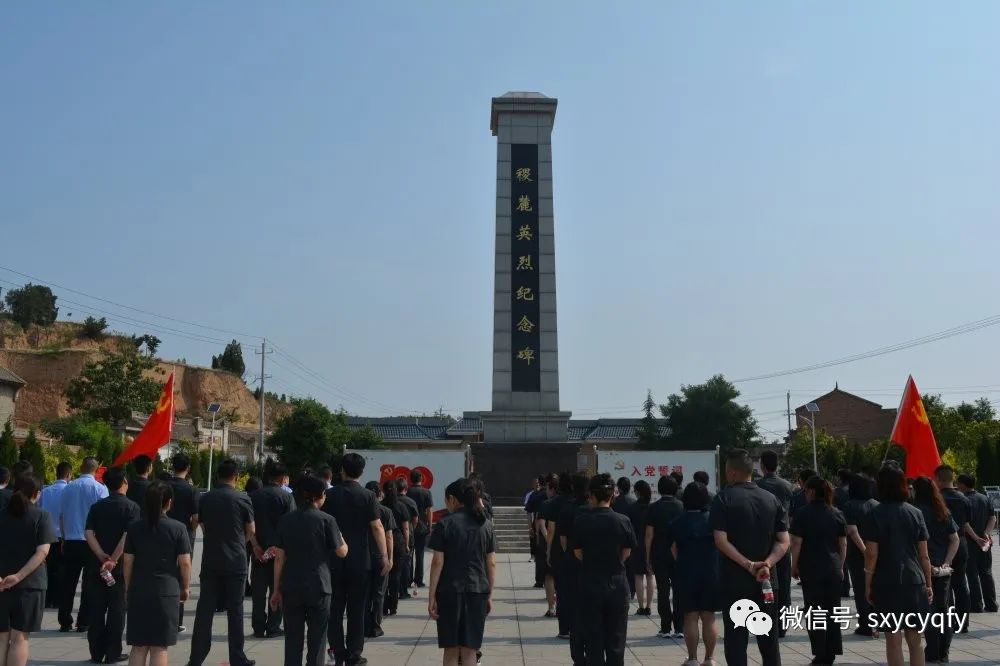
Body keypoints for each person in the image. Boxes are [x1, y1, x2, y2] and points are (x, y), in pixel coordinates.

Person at [711, 449, 788, 666]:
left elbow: (720, 540)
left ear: (733, 473)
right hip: (766, 581)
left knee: (736, 640)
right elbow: (784, 541)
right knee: (769, 640)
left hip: (735, 582)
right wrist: (767, 563)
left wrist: (748, 565)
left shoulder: (723, 499)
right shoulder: (771, 499)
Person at [272, 474, 348, 666]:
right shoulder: (327, 520)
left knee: (293, 638)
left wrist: (276, 589)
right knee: (317, 639)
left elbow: (280, 557)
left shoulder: (285, 520)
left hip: (292, 585)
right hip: (319, 585)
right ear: (320, 495)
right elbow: (342, 552)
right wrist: (340, 535)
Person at [188, 459, 258, 666]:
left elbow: (198, 523)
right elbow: (252, 530)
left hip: (211, 559)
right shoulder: (243, 499)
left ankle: (196, 657)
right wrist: (239, 542)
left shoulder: (206, 498)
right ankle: (237, 657)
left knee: (205, 610)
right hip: (235, 560)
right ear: (236, 477)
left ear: (218, 476)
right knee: (235, 611)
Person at [322, 452, 389, 666]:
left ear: (342, 470)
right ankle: (354, 653)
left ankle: (337, 650)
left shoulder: (329, 495)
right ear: (361, 472)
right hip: (361, 560)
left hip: (334, 560)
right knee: (357, 610)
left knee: (335, 609)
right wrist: (385, 556)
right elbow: (377, 526)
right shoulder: (368, 496)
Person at [863, 464, 933, 666]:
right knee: (915, 639)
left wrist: (868, 583)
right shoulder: (915, 513)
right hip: (914, 580)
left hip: (886, 581)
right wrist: (928, 583)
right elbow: (924, 555)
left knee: (893, 638)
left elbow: (871, 554)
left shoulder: (874, 514)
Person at [123, 481, 193, 666]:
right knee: (159, 647)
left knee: (138, 646)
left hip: (139, 588)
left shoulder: (135, 528)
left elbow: (128, 561)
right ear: (169, 502)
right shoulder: (178, 528)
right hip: (166, 591)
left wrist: (128, 586)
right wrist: (185, 587)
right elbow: (185, 562)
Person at [428, 478, 496, 666]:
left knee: (450, 648)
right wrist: (489, 593)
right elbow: (491, 562)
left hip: (449, 591)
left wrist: (432, 596)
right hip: (477, 590)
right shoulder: (485, 524)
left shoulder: (445, 523)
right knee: (470, 649)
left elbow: (437, 562)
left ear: (453, 499)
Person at [571, 473, 636, 666]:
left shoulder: (581, 520)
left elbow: (577, 552)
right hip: (617, 582)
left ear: (591, 495)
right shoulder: (623, 520)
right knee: (616, 640)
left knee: (593, 639)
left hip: (590, 582)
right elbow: (627, 551)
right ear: (612, 496)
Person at [84, 466, 141, 664]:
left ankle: (96, 652)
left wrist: (101, 555)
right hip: (118, 569)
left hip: (96, 566)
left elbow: (89, 533)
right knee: (117, 611)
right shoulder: (132, 507)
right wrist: (113, 560)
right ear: (125, 482)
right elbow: (127, 535)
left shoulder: (97, 507)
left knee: (97, 610)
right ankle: (113, 652)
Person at [789, 476, 846, 666]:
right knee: (832, 611)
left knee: (814, 611)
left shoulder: (802, 514)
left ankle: (820, 652)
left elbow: (796, 542)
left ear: (812, 492)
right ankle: (831, 651)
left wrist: (793, 565)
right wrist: (840, 565)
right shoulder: (836, 513)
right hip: (833, 568)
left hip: (811, 568)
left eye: (805, 491)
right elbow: (842, 543)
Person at [0, 473, 54, 666]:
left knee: (1, 638)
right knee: (19, 639)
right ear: (37, 494)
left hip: (1, 584)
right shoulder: (42, 516)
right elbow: (42, 552)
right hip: (30, 585)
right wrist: (18, 576)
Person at [669, 482, 720, 666]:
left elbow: (674, 549)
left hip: (686, 572)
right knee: (709, 616)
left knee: (690, 616)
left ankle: (692, 659)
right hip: (711, 572)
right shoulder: (714, 520)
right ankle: (710, 658)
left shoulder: (677, 522)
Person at [58, 456, 109, 633]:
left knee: (68, 583)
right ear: (97, 469)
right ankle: (83, 621)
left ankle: (64, 620)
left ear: (80, 467)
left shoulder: (68, 488)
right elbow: (103, 517)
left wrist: (64, 538)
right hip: (90, 542)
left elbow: (62, 515)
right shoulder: (100, 489)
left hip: (71, 539)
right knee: (89, 583)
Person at [912, 476, 959, 664]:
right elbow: (955, 539)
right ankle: (944, 653)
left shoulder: (915, 513)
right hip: (943, 570)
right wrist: (947, 563)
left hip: (923, 568)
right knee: (944, 611)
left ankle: (931, 652)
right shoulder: (943, 512)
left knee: (928, 612)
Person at [935, 464, 984, 634]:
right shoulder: (964, 499)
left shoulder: (936, 499)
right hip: (961, 543)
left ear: (939, 479)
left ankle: (945, 622)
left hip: (941, 545)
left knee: (942, 585)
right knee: (961, 584)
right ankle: (963, 623)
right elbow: (966, 522)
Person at [250, 462, 296, 639]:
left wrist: (256, 546)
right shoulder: (286, 497)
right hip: (279, 551)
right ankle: (274, 625)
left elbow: (249, 524)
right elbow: (291, 524)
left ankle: (258, 626)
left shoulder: (253, 496)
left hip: (259, 551)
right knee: (277, 588)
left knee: (258, 591)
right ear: (284, 478)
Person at [755, 449, 795, 637]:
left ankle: (765, 621)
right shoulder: (788, 486)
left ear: (762, 466)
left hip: (763, 541)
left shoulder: (757, 486)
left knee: (764, 583)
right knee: (784, 585)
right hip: (784, 540)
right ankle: (783, 624)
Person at [556, 472, 591, 666]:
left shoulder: (567, 509)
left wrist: (571, 553)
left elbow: (562, 540)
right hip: (593, 566)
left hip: (571, 563)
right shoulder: (593, 509)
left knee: (574, 606)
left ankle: (577, 656)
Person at [645, 475, 683, 639]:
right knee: (679, 590)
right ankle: (680, 626)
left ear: (659, 489)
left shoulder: (653, 508)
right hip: (679, 554)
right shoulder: (682, 506)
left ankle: (665, 627)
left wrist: (647, 557)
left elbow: (649, 535)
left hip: (659, 553)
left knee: (663, 590)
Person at [165, 453, 199, 633]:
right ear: (188, 468)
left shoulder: (163, 486)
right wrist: (192, 529)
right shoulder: (192, 490)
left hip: (162, 533)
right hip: (184, 534)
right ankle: (176, 620)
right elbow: (195, 517)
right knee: (181, 575)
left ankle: (160, 616)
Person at [843, 473, 879, 636]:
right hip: (877, 553)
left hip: (857, 554)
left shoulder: (849, 505)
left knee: (860, 588)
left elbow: (851, 530)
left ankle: (865, 624)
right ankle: (876, 621)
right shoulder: (877, 505)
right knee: (875, 586)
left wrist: (864, 550)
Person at [957, 473, 997, 613]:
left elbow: (964, 523)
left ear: (963, 484)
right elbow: (993, 518)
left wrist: (976, 538)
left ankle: (976, 604)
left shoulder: (963, 500)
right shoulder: (985, 498)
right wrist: (986, 533)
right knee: (986, 572)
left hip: (970, 542)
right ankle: (991, 604)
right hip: (985, 542)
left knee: (972, 574)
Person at [541, 473, 573, 638]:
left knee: (561, 587)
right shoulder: (577, 502)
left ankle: (563, 628)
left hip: (557, 549)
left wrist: (548, 550)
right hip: (575, 547)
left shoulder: (553, 503)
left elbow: (551, 529)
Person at [38, 461, 71, 609]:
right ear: (69, 475)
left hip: (46, 535)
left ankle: (46, 598)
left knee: (48, 568)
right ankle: (57, 599)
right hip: (64, 535)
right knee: (61, 570)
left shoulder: (45, 491)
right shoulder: (70, 491)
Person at [364, 481, 395, 639]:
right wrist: (390, 557)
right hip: (380, 557)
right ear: (379, 493)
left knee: (365, 593)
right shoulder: (385, 511)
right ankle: (376, 626)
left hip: (364, 557)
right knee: (379, 593)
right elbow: (389, 536)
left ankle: (363, 625)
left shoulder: (361, 511)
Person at [382, 479, 411, 617]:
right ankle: (393, 606)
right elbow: (406, 527)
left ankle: (382, 605)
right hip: (398, 541)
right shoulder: (401, 506)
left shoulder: (380, 506)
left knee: (383, 575)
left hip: (382, 542)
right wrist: (406, 543)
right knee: (396, 576)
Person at [627, 480, 654, 617]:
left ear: (637, 492)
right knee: (649, 576)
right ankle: (649, 606)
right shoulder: (652, 508)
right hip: (650, 544)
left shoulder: (632, 508)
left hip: (636, 545)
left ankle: (641, 606)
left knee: (638, 576)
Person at [408, 470, 434, 589]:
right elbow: (429, 511)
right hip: (422, 526)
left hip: (409, 526)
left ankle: (408, 579)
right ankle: (418, 579)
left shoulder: (408, 492)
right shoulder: (426, 492)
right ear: (421, 479)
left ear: (410, 479)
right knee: (420, 554)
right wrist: (429, 525)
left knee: (409, 554)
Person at [524, 476, 549, 588]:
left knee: (540, 553)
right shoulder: (535, 495)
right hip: (549, 525)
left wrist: (531, 527)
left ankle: (540, 580)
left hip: (540, 525)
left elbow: (529, 512)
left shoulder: (536, 496)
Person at [395, 478, 419, 600]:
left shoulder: (389, 501)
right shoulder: (410, 502)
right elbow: (415, 519)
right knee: (406, 564)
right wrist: (411, 529)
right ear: (406, 489)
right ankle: (403, 590)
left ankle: (393, 589)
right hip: (407, 536)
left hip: (392, 535)